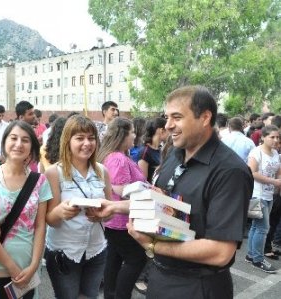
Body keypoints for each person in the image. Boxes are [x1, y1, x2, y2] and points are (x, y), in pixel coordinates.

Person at [93, 86, 253, 299]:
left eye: (176, 117)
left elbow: (220, 252)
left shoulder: (230, 171)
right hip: (160, 279)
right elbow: (163, 204)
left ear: (205, 117)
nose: (168, 125)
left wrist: (152, 245)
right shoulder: (175, 156)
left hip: (199, 287)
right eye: (167, 117)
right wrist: (116, 207)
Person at [0, 120, 52, 299]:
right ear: (4, 142)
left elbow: (40, 226)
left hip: (27, 268)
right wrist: (12, 267)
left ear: (32, 147)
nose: (19, 144)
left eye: (25, 140)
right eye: (13, 138)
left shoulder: (40, 181)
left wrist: (35, 265)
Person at [44, 114, 111, 299]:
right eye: (80, 138)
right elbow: (49, 219)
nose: (87, 143)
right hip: (64, 252)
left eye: (91, 138)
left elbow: (110, 212)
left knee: (90, 297)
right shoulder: (53, 172)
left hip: (96, 250)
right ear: (68, 140)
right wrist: (60, 211)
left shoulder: (102, 171)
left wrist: (102, 215)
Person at [97, 117, 147, 299]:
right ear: (122, 134)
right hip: (123, 220)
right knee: (137, 258)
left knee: (114, 260)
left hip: (114, 219)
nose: (135, 135)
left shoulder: (112, 155)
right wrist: (147, 194)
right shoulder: (117, 158)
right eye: (132, 131)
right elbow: (120, 188)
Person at [245, 125, 281, 273]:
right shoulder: (256, 152)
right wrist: (274, 182)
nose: (275, 140)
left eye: (277, 137)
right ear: (263, 137)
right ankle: (258, 260)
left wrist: (278, 181)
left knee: (256, 226)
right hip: (257, 194)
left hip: (269, 194)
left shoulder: (275, 153)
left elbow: (278, 171)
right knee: (263, 228)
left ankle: (251, 255)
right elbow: (252, 172)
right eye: (272, 137)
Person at [137, 117, 168, 182]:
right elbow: (143, 182)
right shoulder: (145, 152)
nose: (170, 134)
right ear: (161, 131)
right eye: (168, 131)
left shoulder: (159, 149)